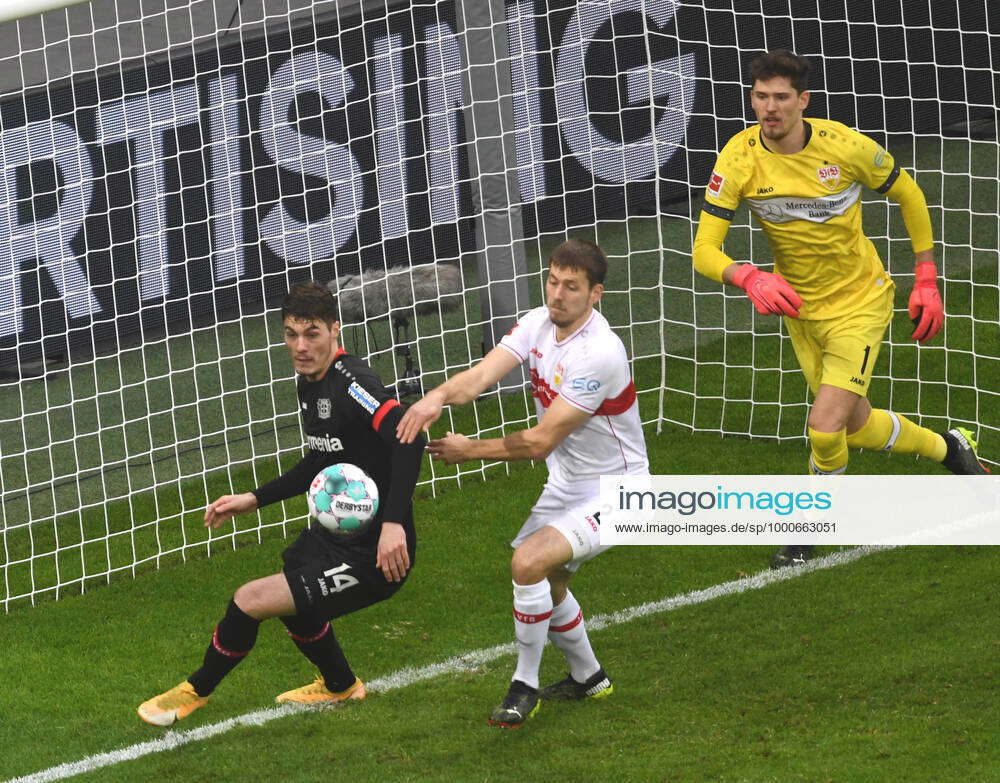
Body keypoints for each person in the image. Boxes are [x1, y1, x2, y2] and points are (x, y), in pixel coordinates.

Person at [691, 50, 989, 569]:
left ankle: (809, 527)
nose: (770, 108)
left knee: (824, 428)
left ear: (802, 101)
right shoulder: (738, 158)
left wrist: (926, 278)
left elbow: (910, 193)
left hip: (860, 303)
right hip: (801, 311)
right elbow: (703, 250)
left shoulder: (844, 147)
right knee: (854, 425)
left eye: (781, 97)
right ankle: (950, 449)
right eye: (761, 97)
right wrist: (749, 275)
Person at [137, 281, 425, 726]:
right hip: (334, 536)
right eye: (291, 334)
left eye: (312, 334)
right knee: (294, 588)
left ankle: (193, 692)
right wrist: (253, 499)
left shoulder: (352, 382)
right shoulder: (310, 382)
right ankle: (342, 686)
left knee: (251, 599)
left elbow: (411, 436)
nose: (301, 346)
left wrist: (393, 527)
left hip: (376, 555)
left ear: (335, 330)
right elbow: (322, 458)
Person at [397, 239, 649, 727]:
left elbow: (538, 441)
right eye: (553, 281)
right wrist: (435, 399)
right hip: (569, 482)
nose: (557, 294)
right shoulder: (537, 322)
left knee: (528, 563)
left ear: (596, 294)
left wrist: (469, 450)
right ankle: (589, 677)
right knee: (548, 585)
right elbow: (479, 377)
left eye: (571, 287)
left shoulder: (599, 354)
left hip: (621, 492)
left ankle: (523, 685)